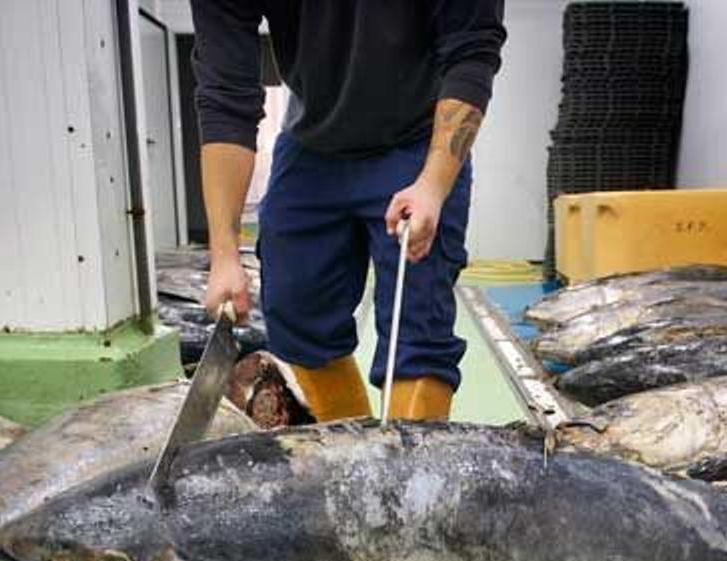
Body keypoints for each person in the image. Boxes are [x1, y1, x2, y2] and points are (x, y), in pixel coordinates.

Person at [190, 1, 506, 421]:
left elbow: (472, 49)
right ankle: (346, 456)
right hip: (310, 146)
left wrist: (432, 184)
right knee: (296, 318)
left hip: (417, 141)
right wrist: (225, 254)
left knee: (419, 329)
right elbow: (226, 96)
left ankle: (413, 472)